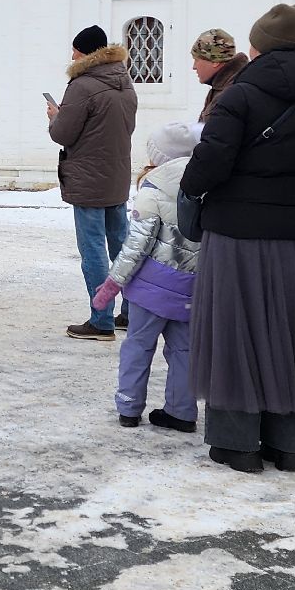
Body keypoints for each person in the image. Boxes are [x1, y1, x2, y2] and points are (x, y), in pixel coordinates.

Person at [182, 4, 295, 474]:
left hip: (235, 236)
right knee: (290, 335)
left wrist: (197, 190)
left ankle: (237, 443)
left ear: (258, 48)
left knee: (235, 332)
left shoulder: (238, 98)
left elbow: (207, 165)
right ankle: (286, 445)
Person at [91, 121, 200, 433]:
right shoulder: (206, 186)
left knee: (138, 346)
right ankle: (181, 412)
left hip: (149, 291)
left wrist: (112, 283)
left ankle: (129, 407)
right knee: (184, 351)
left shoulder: (154, 188)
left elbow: (136, 246)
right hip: (190, 288)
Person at [49, 25, 138, 341]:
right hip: (117, 175)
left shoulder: (82, 85)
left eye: (75, 50)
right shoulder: (124, 82)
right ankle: (132, 311)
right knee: (124, 246)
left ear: (85, 52)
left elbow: (63, 133)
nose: (72, 56)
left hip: (88, 179)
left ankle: (101, 320)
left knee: (93, 251)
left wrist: (55, 116)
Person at [190, 28, 248, 123]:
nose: (194, 67)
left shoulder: (229, 93)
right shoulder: (221, 87)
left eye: (196, 60)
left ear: (215, 62)